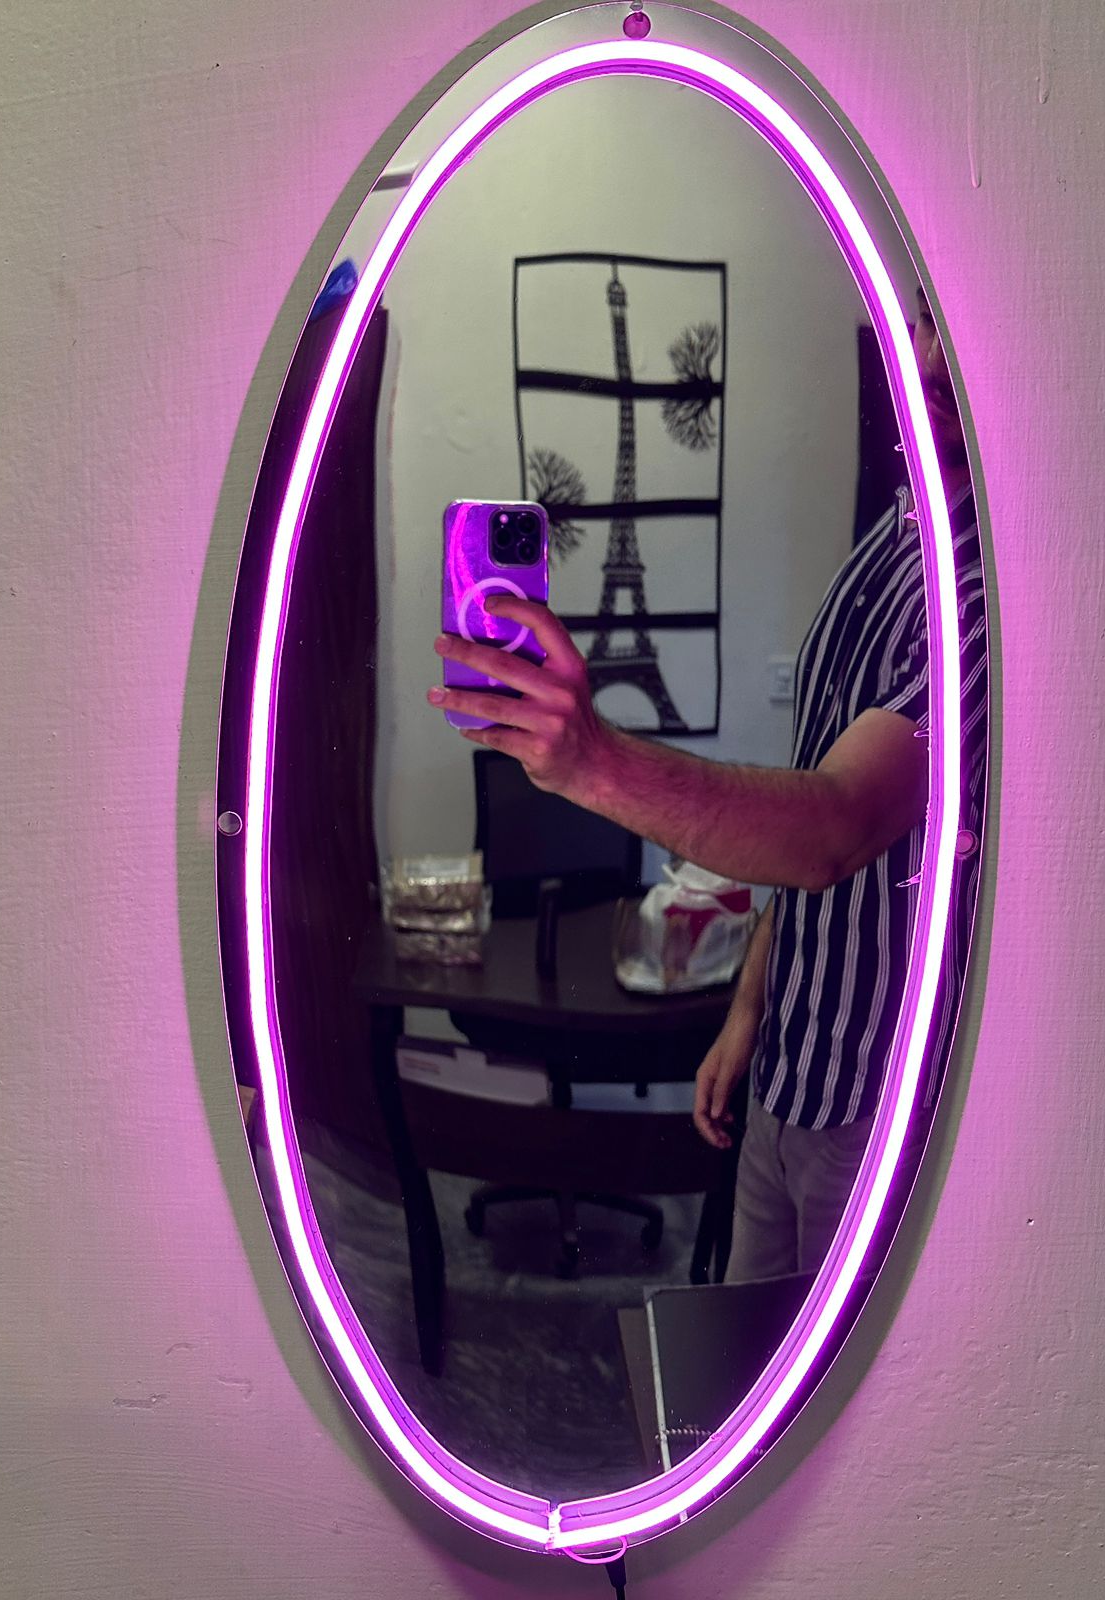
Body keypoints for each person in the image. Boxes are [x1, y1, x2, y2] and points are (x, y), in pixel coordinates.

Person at [427, 291, 987, 1281]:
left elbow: (834, 829)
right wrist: (747, 1013)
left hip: (879, 1100)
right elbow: (810, 804)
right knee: (751, 1349)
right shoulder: (895, 538)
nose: (934, 359)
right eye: (924, 322)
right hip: (786, 1067)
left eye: (963, 330)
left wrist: (591, 760)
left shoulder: (987, 595)